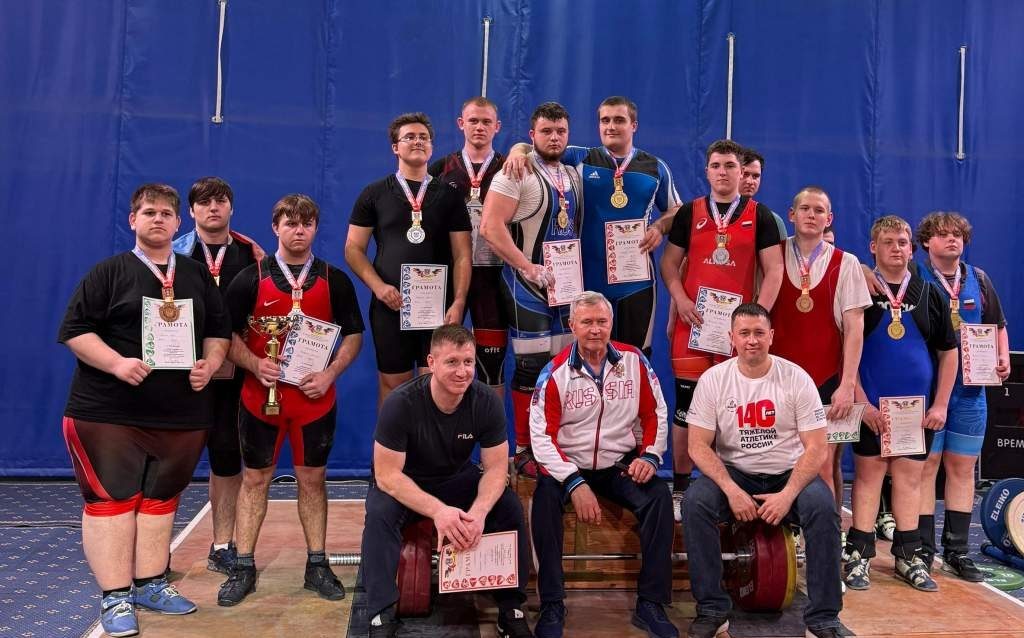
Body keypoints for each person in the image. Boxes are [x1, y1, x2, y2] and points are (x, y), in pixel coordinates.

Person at [59, 183, 232, 637]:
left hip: (181, 414)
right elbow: (75, 330)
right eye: (149, 212)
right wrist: (116, 363)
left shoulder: (196, 275)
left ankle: (152, 582)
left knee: (161, 500)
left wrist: (210, 363)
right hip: (109, 413)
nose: (158, 219)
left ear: (179, 223)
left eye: (166, 214)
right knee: (112, 501)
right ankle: (115, 595)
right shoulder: (108, 272)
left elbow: (219, 331)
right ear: (132, 220)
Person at [218, 194, 364, 606]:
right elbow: (225, 335)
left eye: (306, 224)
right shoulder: (249, 279)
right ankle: (243, 565)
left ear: (315, 228)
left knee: (313, 480)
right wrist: (253, 363)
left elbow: (354, 334)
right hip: (258, 399)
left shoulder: (335, 280)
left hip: (313, 401)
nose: (299, 231)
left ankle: (317, 565)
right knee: (254, 479)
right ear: (275, 227)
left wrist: (330, 373)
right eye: (290, 223)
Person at [360, 325, 532, 638]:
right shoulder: (401, 403)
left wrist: (478, 513)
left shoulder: (485, 401)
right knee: (380, 514)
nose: (462, 371)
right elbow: (387, 475)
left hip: (454, 478)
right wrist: (439, 511)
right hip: (406, 481)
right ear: (432, 362)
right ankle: (380, 615)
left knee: (508, 506)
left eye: (468, 362)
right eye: (452, 362)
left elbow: (496, 469)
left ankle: (511, 609)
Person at [682, 303, 842, 638]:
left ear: (771, 336)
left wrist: (787, 495)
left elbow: (817, 447)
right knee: (695, 503)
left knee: (823, 506)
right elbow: (697, 446)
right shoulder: (713, 380)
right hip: (735, 473)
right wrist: (731, 490)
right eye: (744, 333)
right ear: (732, 338)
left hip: (787, 473)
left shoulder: (796, 378)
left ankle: (824, 618)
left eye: (758, 333)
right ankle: (712, 609)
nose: (751, 340)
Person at [529, 291, 675, 638]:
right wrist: (574, 482)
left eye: (601, 322)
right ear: (572, 326)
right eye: (587, 322)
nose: (595, 329)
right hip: (569, 466)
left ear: (611, 324)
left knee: (658, 497)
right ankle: (552, 603)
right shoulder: (554, 372)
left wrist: (650, 456)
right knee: (544, 500)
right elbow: (541, 437)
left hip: (617, 465)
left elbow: (656, 412)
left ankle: (651, 603)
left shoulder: (634, 361)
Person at [659, 139, 784, 521]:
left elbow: (774, 271)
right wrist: (680, 300)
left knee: (735, 410)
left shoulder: (761, 216)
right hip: (694, 325)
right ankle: (681, 488)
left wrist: (756, 319)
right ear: (707, 171)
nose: (723, 172)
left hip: (737, 333)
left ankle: (732, 486)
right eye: (716, 166)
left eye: (730, 166)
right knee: (686, 410)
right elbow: (669, 264)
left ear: (741, 172)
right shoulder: (689, 212)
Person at [503, 96, 683, 355]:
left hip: (637, 283)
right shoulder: (581, 157)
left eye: (619, 120)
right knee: (588, 356)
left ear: (634, 125)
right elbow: (537, 145)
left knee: (635, 357)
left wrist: (659, 227)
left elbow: (676, 210)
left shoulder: (656, 167)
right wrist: (517, 151)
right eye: (604, 120)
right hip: (587, 281)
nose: (611, 126)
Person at [843, 216, 957, 593]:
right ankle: (859, 553)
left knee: (910, 479)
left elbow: (949, 352)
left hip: (915, 412)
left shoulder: (929, 294)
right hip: (871, 409)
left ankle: (908, 555)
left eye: (903, 242)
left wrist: (940, 405)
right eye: (888, 242)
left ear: (912, 249)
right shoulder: (860, 290)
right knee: (868, 477)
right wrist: (862, 403)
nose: (896, 248)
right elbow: (846, 353)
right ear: (873, 247)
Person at [480, 102, 583, 478]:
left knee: (565, 366)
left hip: (566, 285)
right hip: (526, 284)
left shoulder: (573, 169)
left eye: (560, 131)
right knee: (530, 366)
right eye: (546, 132)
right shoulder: (515, 171)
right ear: (532, 135)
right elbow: (490, 227)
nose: (554, 138)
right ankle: (524, 450)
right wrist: (527, 267)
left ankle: (556, 443)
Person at [346, 112, 472, 405]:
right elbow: (352, 249)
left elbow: (462, 255)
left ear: (432, 146)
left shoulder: (450, 196)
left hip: (439, 310)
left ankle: (434, 439)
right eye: (410, 137)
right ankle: (392, 439)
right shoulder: (374, 194)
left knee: (437, 385)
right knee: (394, 387)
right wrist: (379, 287)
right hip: (392, 306)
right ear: (395, 147)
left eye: (424, 137)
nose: (418, 142)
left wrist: (458, 301)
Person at [173, 176, 265, 574]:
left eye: (221, 201)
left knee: (227, 456)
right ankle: (154, 553)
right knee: (170, 462)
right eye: (205, 202)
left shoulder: (251, 254)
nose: (214, 207)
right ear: (191, 211)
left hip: (233, 372)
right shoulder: (173, 252)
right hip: (181, 371)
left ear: (231, 208)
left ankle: (222, 545)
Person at [915, 212, 1011, 579]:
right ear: (927, 241)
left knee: (962, 468)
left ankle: (957, 551)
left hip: (970, 392)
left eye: (957, 234)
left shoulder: (980, 279)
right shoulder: (915, 278)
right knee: (925, 468)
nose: (952, 239)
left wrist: (1003, 357)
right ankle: (922, 550)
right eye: (943, 234)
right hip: (928, 391)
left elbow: (998, 325)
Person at [769, 187, 870, 512]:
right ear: (792, 214)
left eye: (819, 210)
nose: (811, 215)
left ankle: (825, 534)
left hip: (827, 380)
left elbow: (854, 329)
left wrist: (847, 385)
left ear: (829, 218)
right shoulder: (770, 255)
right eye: (805, 209)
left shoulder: (846, 263)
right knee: (775, 461)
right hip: (777, 381)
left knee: (823, 465)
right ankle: (782, 531)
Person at [428, 97, 508, 397]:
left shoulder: (508, 167)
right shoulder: (441, 168)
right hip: (451, 279)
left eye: (486, 122)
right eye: (473, 121)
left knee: (492, 367)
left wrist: (520, 150)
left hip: (494, 278)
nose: (479, 127)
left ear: (497, 127)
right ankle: (442, 426)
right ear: (461, 124)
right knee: (444, 363)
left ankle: (492, 428)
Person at [739, 148, 788, 239]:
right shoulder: (714, 216)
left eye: (756, 176)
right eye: (745, 174)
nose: (750, 181)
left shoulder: (773, 220)